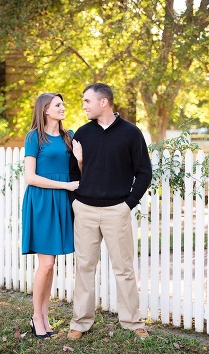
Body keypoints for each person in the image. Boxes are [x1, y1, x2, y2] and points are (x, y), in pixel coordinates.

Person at [67, 83, 152, 340]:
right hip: (86, 210)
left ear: (103, 102)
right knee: (84, 268)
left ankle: (132, 321)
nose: (83, 106)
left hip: (117, 210)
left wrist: (127, 204)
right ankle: (80, 322)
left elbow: (144, 173)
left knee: (124, 269)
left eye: (87, 101)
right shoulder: (82, 133)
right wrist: (75, 201)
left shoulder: (131, 133)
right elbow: (73, 171)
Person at [21, 93, 79, 339]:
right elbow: (30, 177)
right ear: (45, 109)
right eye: (57, 105)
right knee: (45, 264)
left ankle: (44, 315)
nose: (62, 107)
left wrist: (80, 158)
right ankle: (36, 317)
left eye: (63, 104)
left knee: (51, 264)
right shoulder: (34, 137)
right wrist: (65, 186)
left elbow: (79, 170)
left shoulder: (70, 137)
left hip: (62, 202)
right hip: (42, 201)